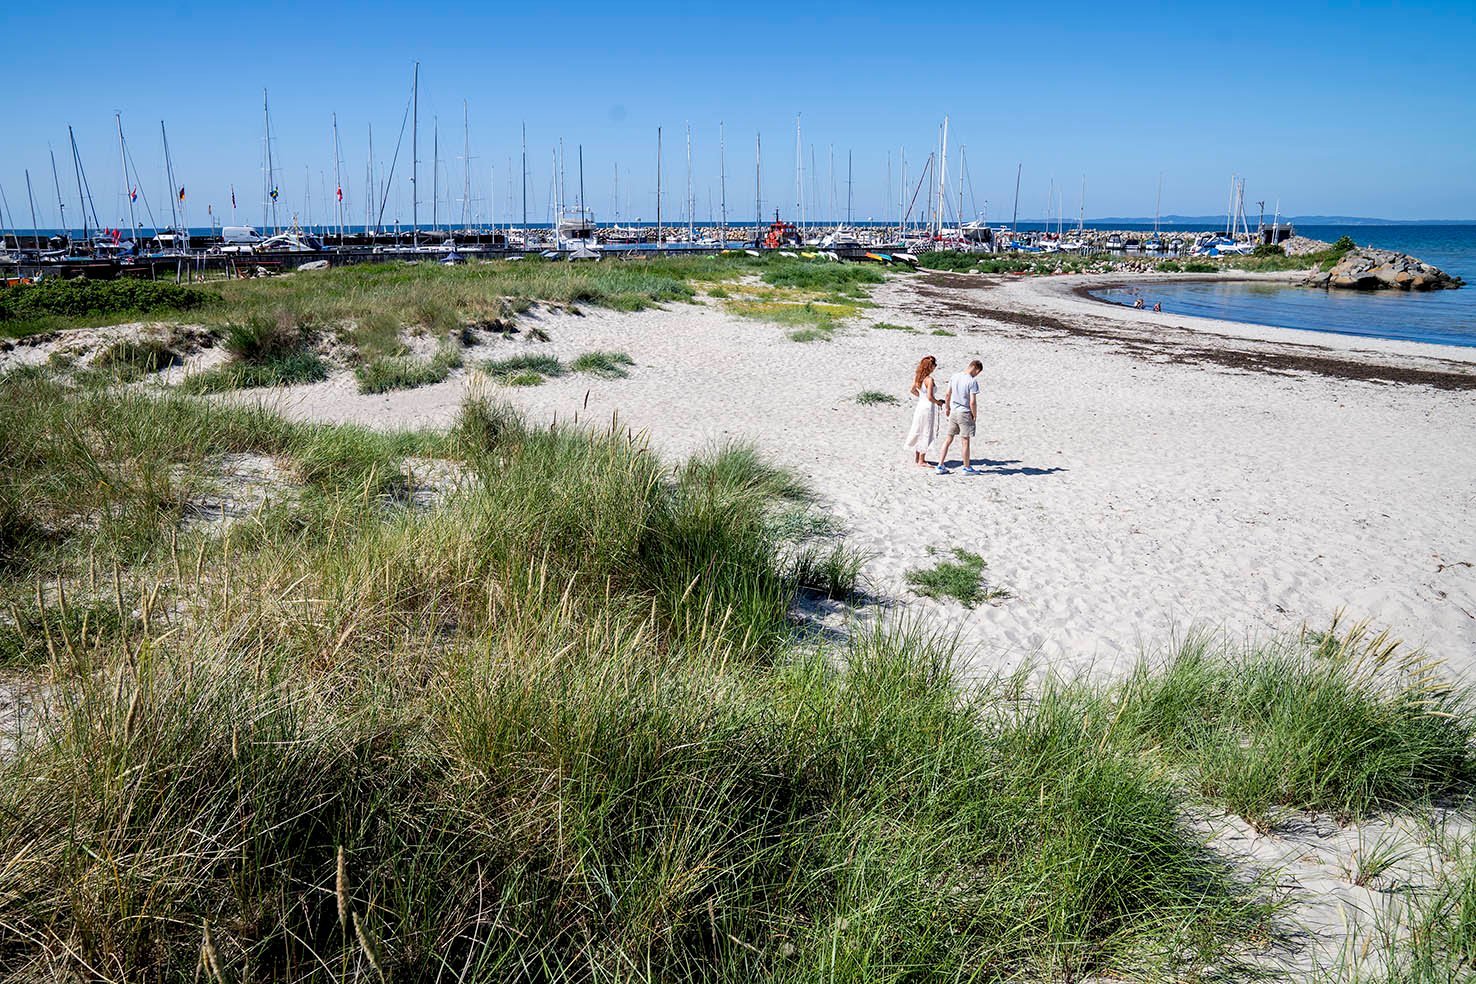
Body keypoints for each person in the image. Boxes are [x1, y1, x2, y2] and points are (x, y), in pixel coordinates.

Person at [935, 359, 983, 475]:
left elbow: (947, 394)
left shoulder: (955, 376)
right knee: (965, 440)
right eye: (978, 372)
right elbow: (972, 402)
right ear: (975, 368)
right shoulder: (972, 381)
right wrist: (974, 415)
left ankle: (940, 465)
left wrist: (947, 408)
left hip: (953, 411)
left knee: (948, 438)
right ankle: (966, 467)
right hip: (964, 412)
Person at [904, 355, 944, 467]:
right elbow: (930, 397)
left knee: (918, 429)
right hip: (927, 407)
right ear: (930, 367)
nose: (935, 367)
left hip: (920, 406)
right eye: (934, 365)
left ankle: (918, 458)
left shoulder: (918, 377)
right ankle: (922, 460)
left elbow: (913, 390)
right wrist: (938, 402)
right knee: (926, 431)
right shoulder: (929, 380)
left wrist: (921, 397)